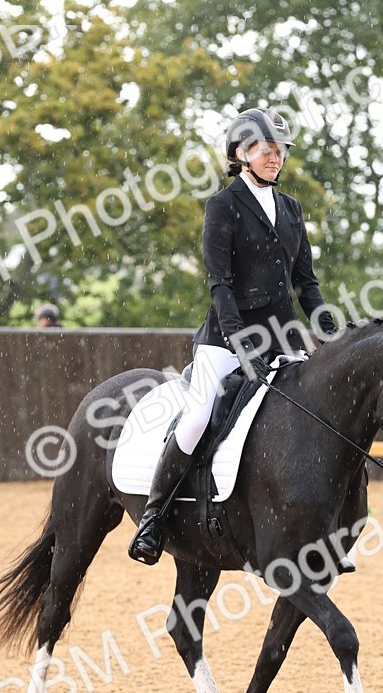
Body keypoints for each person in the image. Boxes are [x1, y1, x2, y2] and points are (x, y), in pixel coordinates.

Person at [128, 106, 337, 565]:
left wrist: (328, 330)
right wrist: (241, 345)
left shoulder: (291, 209)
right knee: (200, 413)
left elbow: (306, 283)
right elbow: (219, 284)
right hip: (226, 338)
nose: (276, 158)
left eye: (280, 151)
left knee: (317, 414)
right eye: (267, 150)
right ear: (241, 153)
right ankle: (154, 517)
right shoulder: (222, 207)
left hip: (283, 336)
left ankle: (321, 525)